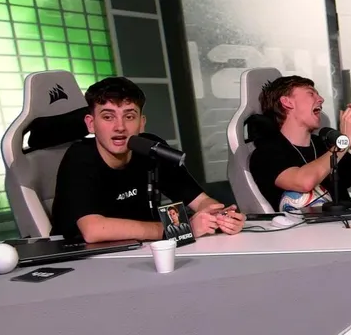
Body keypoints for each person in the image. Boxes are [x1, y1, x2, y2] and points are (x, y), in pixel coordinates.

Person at [51, 77, 245, 242]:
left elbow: (201, 201)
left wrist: (220, 217)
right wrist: (181, 228)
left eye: (129, 116)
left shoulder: (151, 149)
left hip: (143, 250)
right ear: (91, 124)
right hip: (79, 259)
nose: (120, 127)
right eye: (108, 117)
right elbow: (93, 230)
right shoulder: (79, 157)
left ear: (141, 123)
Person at [249, 75, 351, 211]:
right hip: (306, 224)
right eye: (311, 93)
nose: (321, 99)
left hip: (349, 221)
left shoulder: (325, 145)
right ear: (287, 102)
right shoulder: (266, 152)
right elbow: (304, 183)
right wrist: (344, 141)